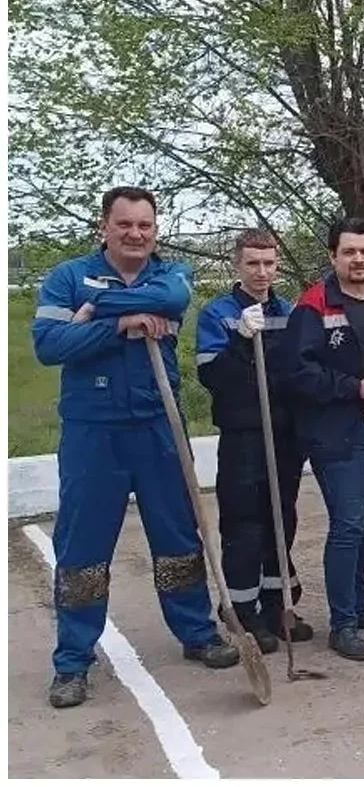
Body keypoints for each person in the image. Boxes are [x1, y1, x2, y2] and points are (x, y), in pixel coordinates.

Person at [33, 186, 239, 709]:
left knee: (178, 537)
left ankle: (197, 633)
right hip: (93, 432)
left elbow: (171, 302)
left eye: (145, 225)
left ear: (156, 230)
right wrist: (122, 324)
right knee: (82, 548)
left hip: (157, 425)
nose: (135, 234)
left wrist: (96, 310)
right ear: (104, 226)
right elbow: (50, 345)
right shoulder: (67, 277)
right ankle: (73, 661)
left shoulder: (171, 276)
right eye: (124, 224)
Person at [283, 217, 364, 662]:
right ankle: (343, 625)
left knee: (361, 521)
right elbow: (297, 373)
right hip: (336, 434)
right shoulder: (314, 305)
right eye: (349, 252)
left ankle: (358, 604)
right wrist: (354, 388)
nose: (358, 259)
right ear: (333, 256)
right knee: (348, 524)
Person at [196, 228, 311, 653]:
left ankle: (278, 606)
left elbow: (299, 371)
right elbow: (213, 377)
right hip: (244, 435)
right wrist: (242, 341)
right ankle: (243, 614)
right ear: (237, 265)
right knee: (245, 523)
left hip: (283, 434)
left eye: (269, 263)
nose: (262, 272)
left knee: (282, 518)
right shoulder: (219, 315)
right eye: (253, 263)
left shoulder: (290, 312)